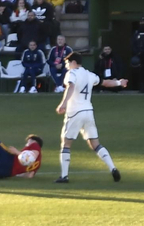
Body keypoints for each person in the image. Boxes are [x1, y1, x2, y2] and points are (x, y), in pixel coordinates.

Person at [54, 50, 125, 183]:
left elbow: (71, 86)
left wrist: (63, 104)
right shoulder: (89, 74)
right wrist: (119, 83)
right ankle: (113, 168)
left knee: (66, 143)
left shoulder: (72, 73)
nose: (66, 66)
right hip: (88, 111)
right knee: (95, 143)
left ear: (73, 62)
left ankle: (64, 176)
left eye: (67, 63)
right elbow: (105, 82)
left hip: (75, 112)